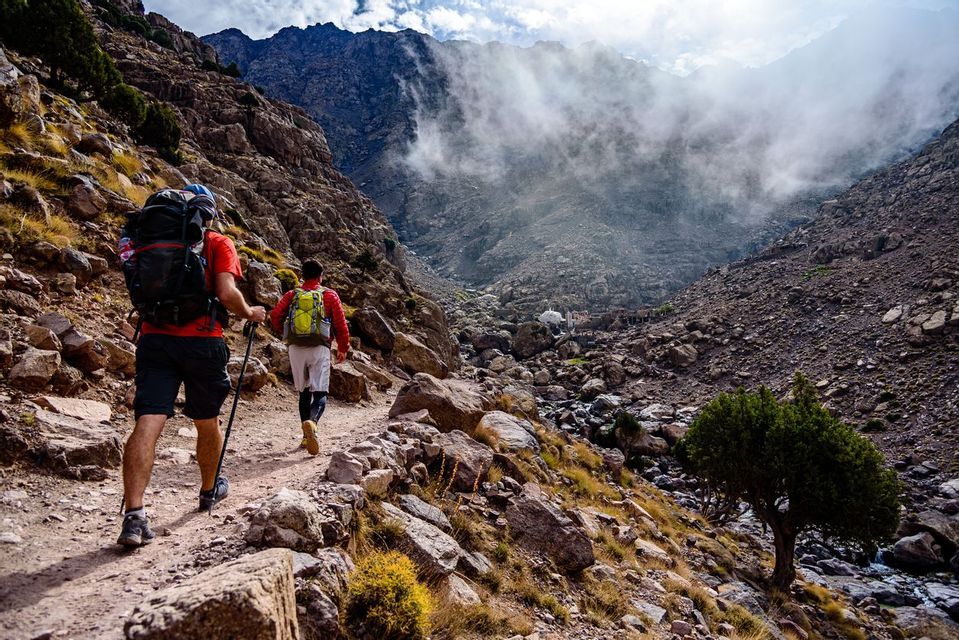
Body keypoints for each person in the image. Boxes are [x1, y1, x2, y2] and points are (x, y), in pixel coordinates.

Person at [117, 184, 267, 547]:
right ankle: (209, 489)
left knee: (148, 420)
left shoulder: (144, 238)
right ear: (207, 213)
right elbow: (228, 293)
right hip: (203, 342)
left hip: (154, 339)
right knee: (206, 419)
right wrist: (251, 313)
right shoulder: (216, 242)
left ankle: (134, 516)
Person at [269, 259, 349, 456]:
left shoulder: (292, 295)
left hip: (296, 347)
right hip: (319, 347)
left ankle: (305, 437)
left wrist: (286, 333)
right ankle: (312, 423)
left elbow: (275, 315)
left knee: (304, 391)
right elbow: (340, 322)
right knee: (320, 392)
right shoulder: (329, 295)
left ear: (301, 275)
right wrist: (343, 347)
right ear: (320, 276)